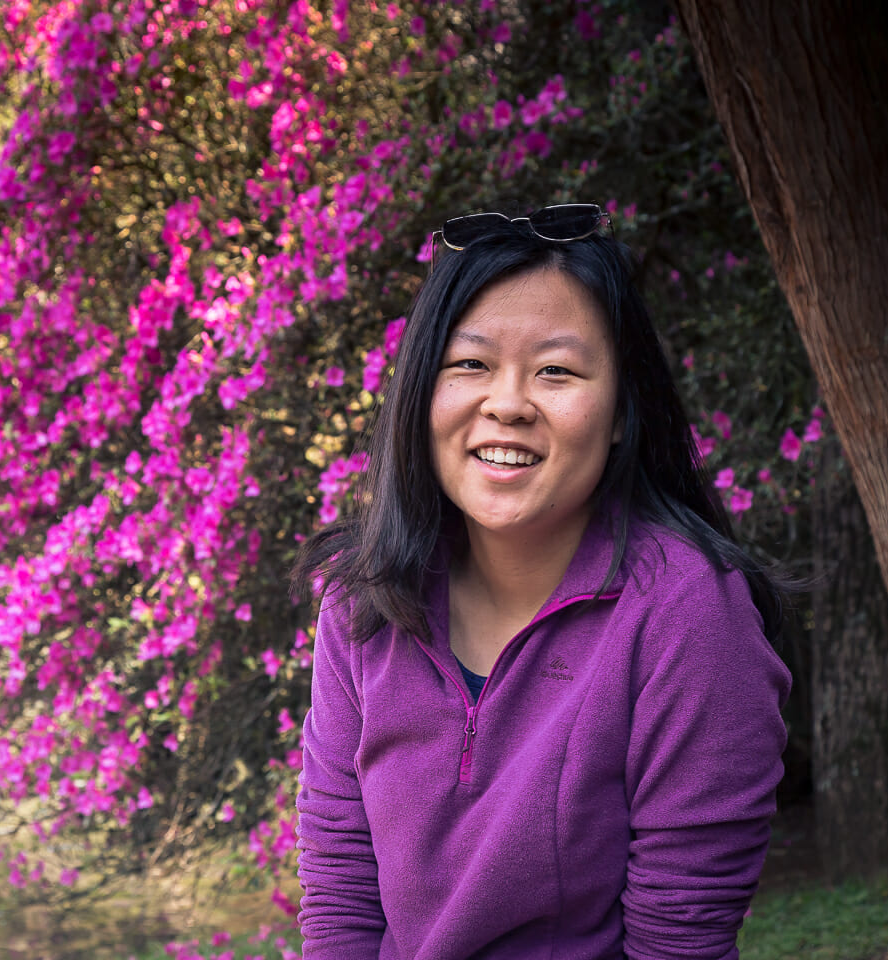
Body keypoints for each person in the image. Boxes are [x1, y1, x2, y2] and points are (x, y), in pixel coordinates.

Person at [291, 205, 791, 960]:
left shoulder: (689, 614)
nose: (507, 403)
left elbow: (679, 941)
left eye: (556, 370)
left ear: (621, 411)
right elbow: (341, 897)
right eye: (470, 364)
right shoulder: (364, 598)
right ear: (421, 391)